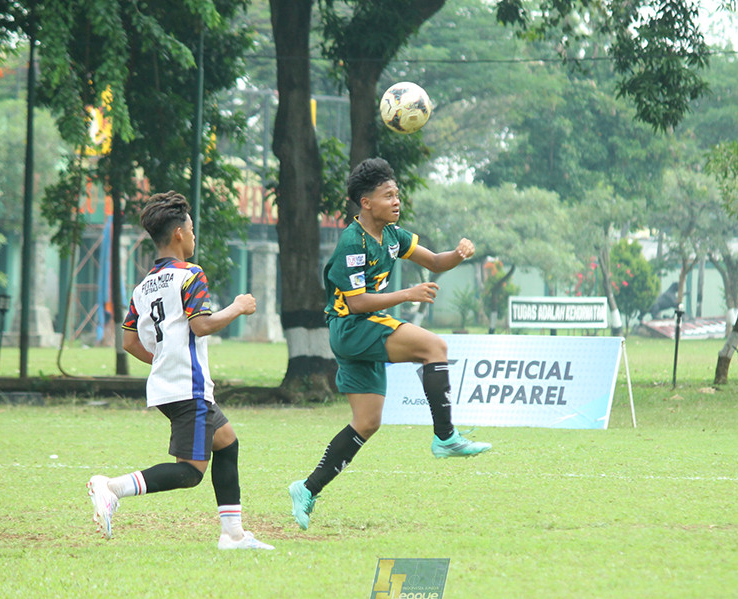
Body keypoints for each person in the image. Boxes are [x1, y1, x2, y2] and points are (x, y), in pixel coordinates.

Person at [288, 157, 491, 530]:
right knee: (434, 347)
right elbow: (357, 302)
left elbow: (434, 260)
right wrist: (408, 294)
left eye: (397, 194)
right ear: (366, 203)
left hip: (364, 327)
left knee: (367, 423)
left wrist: (458, 255)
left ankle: (306, 488)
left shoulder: (393, 236)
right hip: (352, 327)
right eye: (388, 195)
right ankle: (445, 437)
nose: (396, 201)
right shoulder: (353, 241)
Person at [87, 191, 273, 551]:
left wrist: (162, 361)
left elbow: (128, 341)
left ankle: (233, 535)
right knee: (190, 473)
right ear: (177, 234)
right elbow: (202, 326)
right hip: (188, 386)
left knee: (227, 443)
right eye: (190, 228)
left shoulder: (143, 287)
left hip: (168, 386)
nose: (192, 235)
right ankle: (111, 487)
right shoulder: (190, 275)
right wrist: (237, 307)